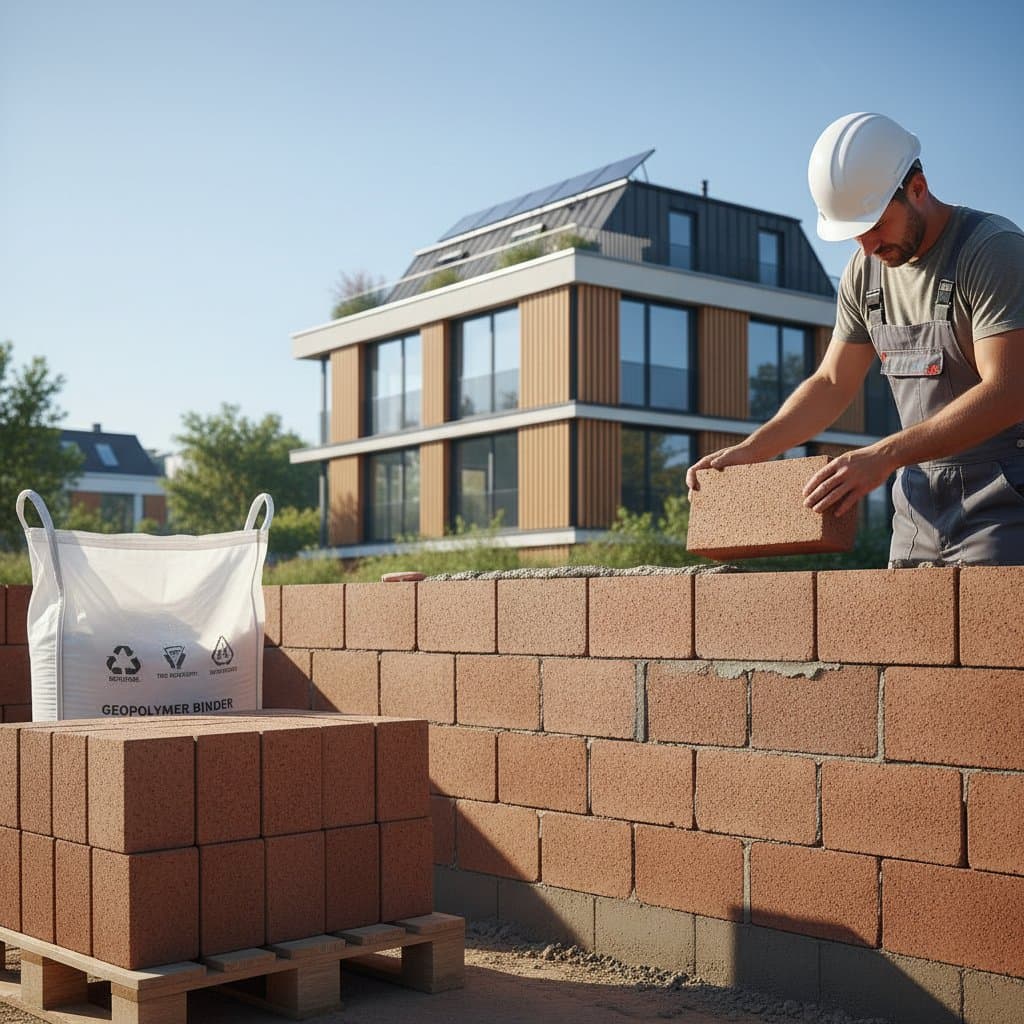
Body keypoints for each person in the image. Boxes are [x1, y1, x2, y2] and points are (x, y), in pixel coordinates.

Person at [685, 111, 1024, 565]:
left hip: (1005, 499)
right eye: (854, 234)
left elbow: (1009, 391)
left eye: (876, 225)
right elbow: (831, 383)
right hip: (918, 507)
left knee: (994, 611)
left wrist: (883, 455)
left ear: (917, 188)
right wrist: (754, 450)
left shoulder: (992, 251)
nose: (867, 247)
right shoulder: (866, 274)